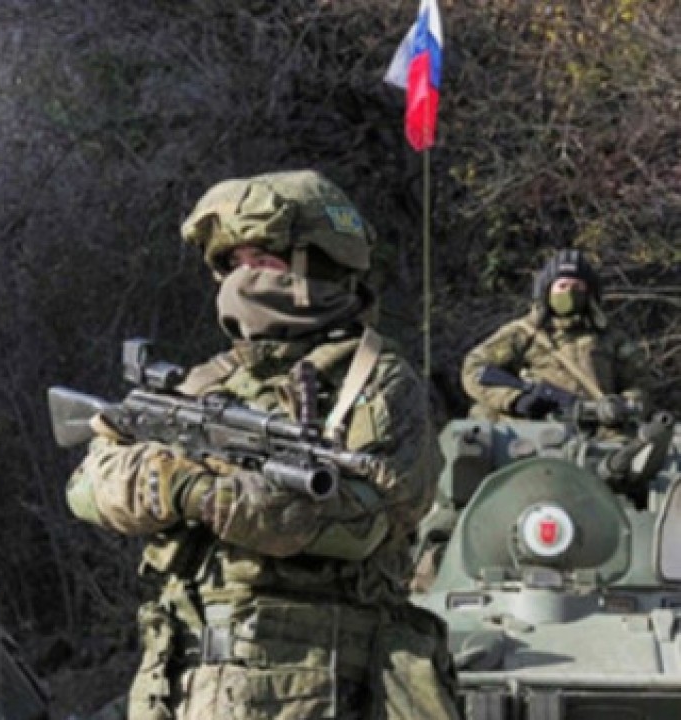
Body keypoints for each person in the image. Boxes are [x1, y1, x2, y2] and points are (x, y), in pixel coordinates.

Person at [65, 171, 458, 719]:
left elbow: (365, 524)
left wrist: (209, 493)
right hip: (182, 684)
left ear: (316, 265)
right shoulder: (205, 383)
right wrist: (163, 482)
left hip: (313, 688)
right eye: (232, 264)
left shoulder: (377, 383)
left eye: (260, 261)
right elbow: (86, 484)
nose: (240, 279)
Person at [461, 249, 650, 421]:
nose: (570, 293)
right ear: (547, 290)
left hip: (600, 431)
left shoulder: (610, 337)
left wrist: (623, 405)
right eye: (563, 286)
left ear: (589, 293)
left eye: (578, 287)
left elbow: (642, 383)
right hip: (537, 431)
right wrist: (515, 399)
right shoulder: (524, 333)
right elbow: (474, 369)